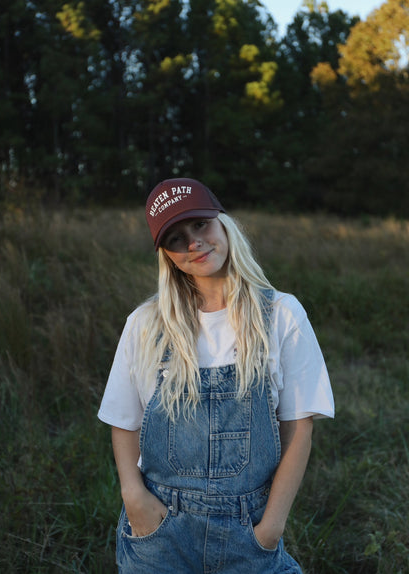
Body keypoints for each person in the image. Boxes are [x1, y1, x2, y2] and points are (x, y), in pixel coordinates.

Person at [98, 177, 334, 573]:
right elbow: (124, 422)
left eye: (200, 224)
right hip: (160, 533)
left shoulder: (281, 316)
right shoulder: (146, 325)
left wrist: (271, 529)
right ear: (166, 255)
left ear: (223, 222)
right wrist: (133, 497)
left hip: (249, 530)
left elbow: (298, 428)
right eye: (175, 238)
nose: (193, 242)